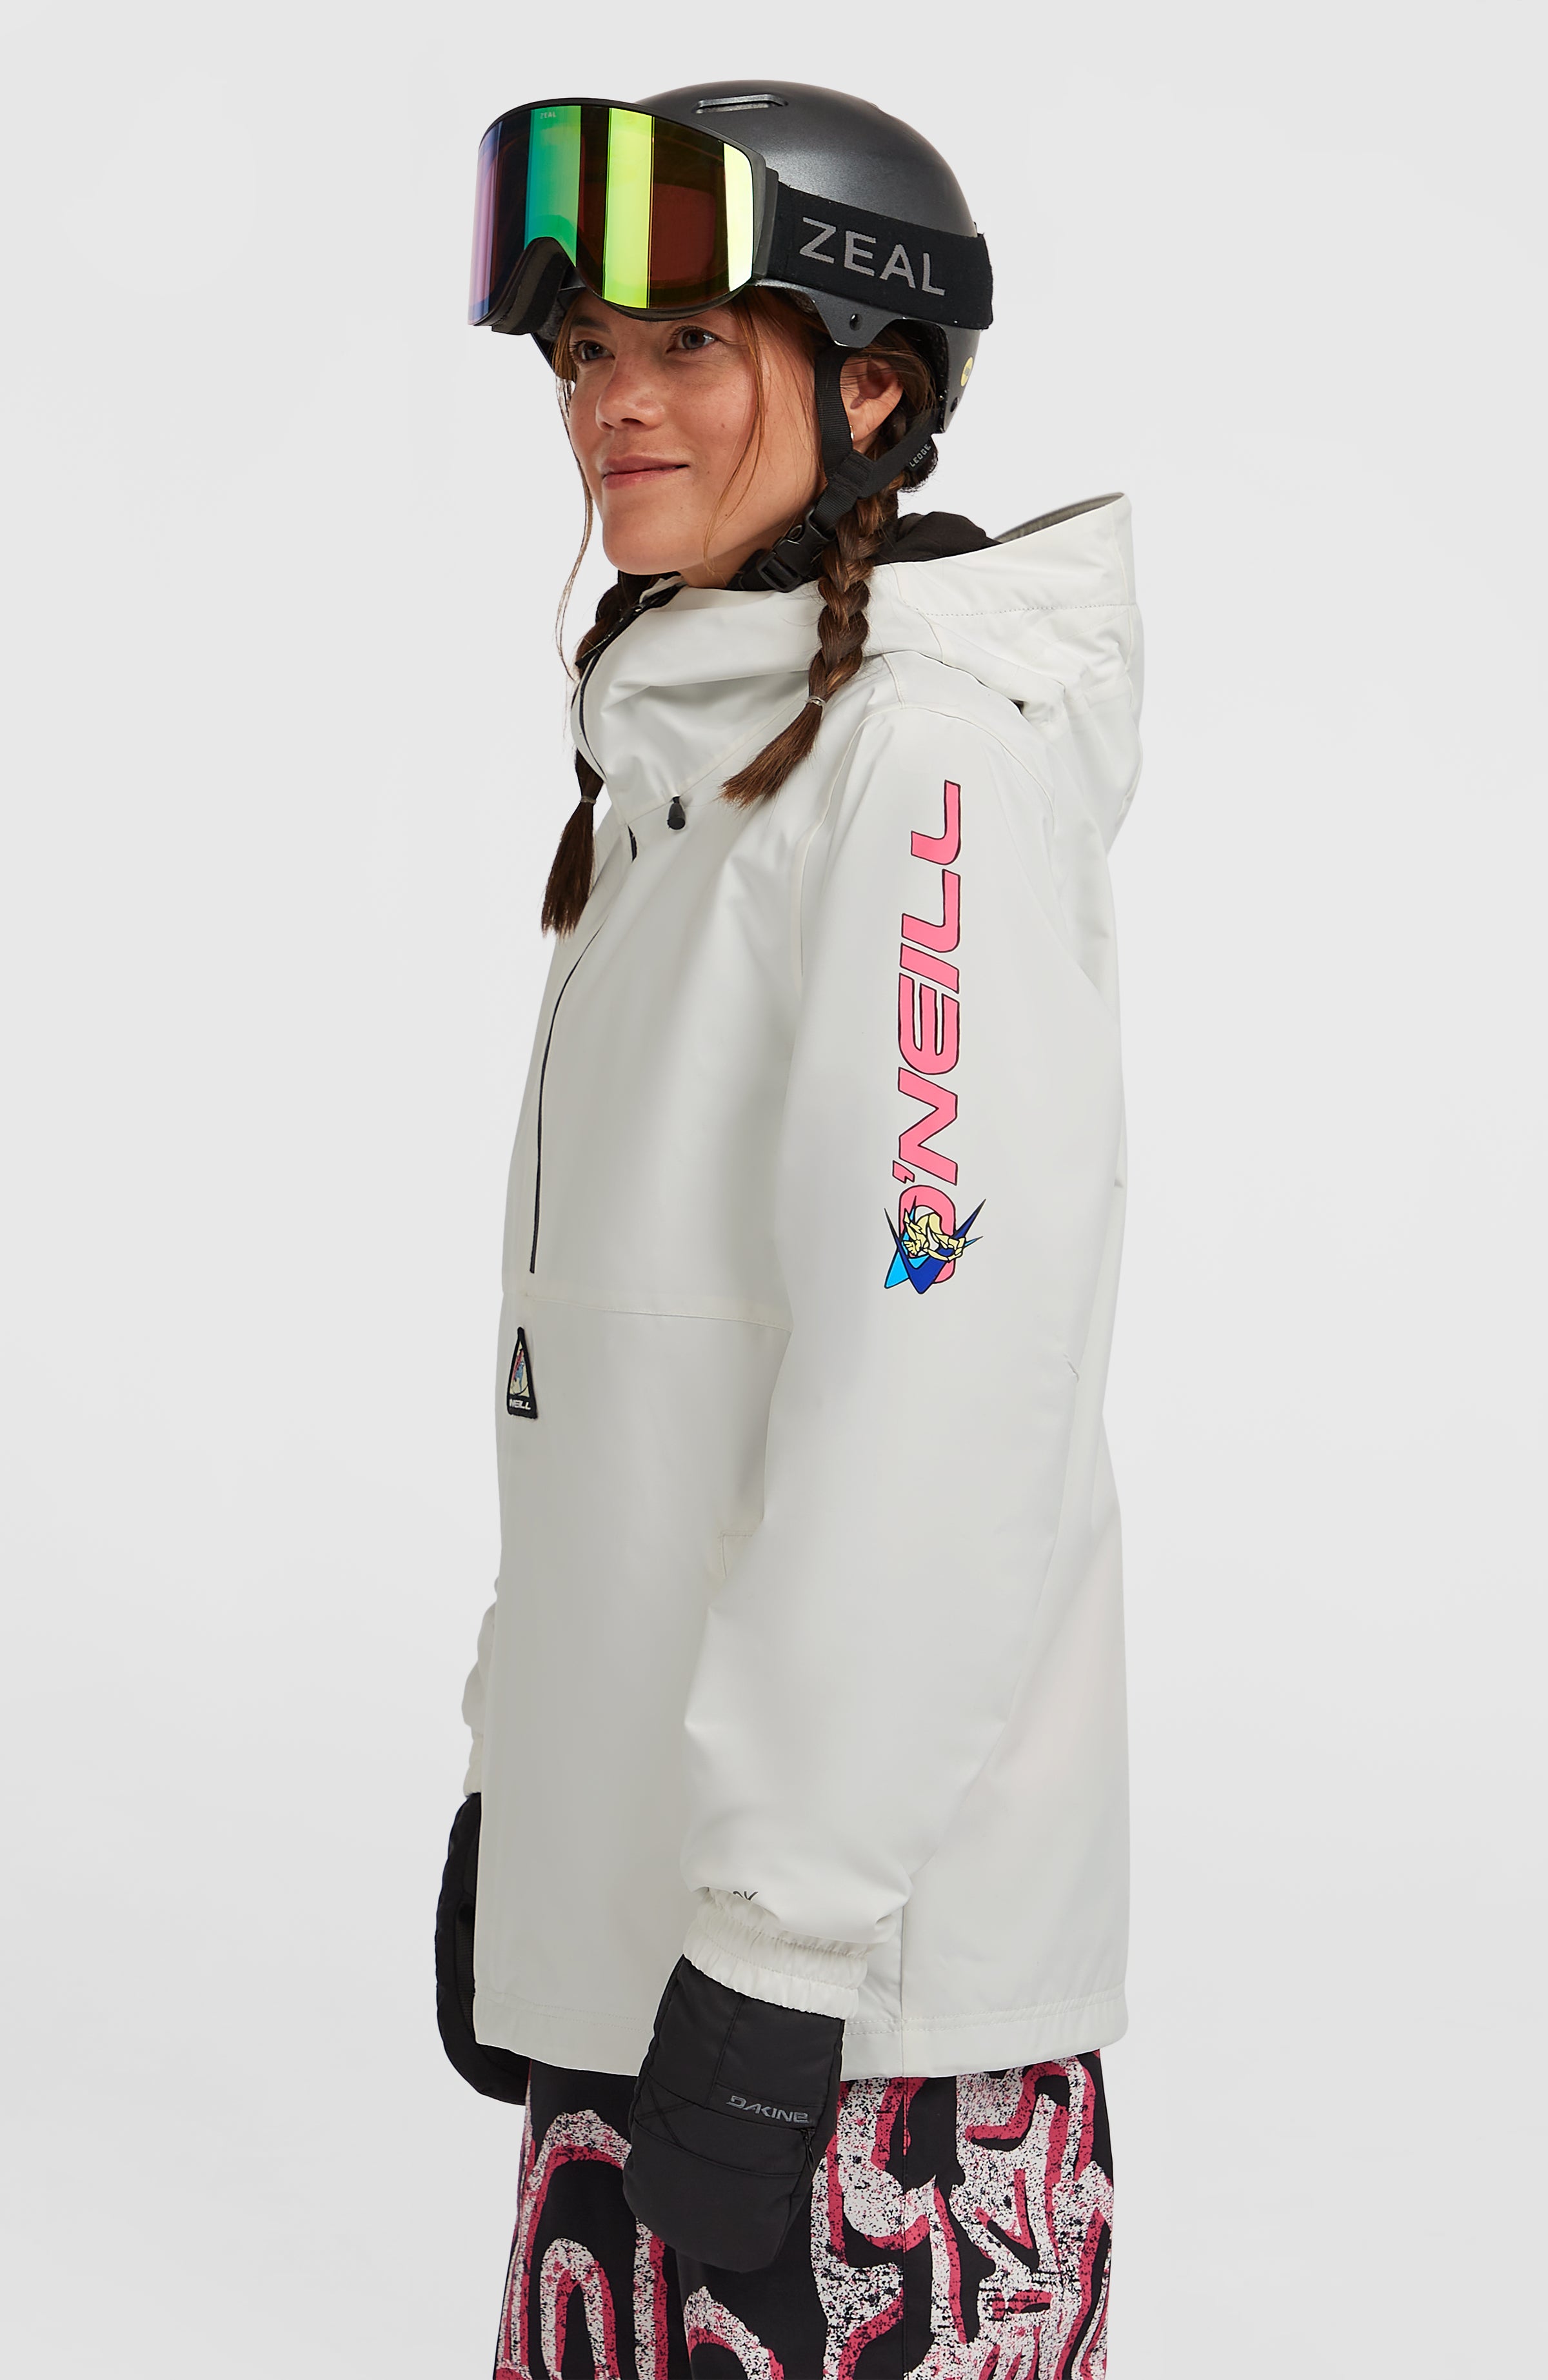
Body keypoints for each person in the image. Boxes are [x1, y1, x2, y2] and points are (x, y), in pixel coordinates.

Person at [435, 79, 1140, 2378]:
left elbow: (937, 1395)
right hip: (664, 1961)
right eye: (582, 354)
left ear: (874, 390)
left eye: (687, 345)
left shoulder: (920, 768)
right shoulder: (692, 776)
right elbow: (630, 1387)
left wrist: (782, 1943)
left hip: (853, 2036)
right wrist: (516, 1786)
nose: (612, 404)